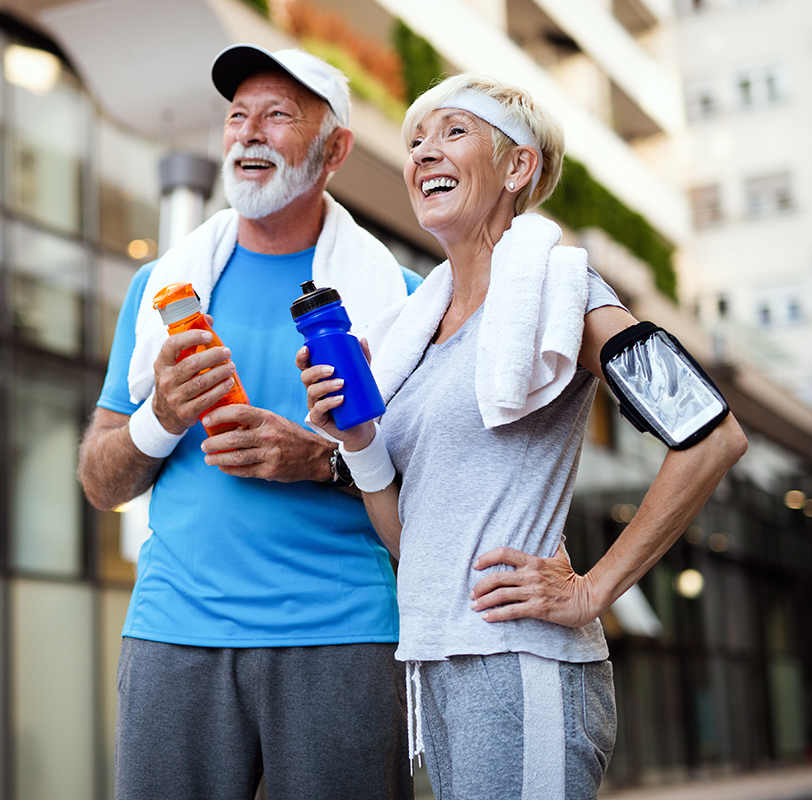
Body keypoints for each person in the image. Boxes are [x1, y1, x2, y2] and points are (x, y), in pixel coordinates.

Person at [299, 74, 748, 799]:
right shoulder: (415, 338)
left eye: (453, 132)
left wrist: (593, 589)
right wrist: (356, 437)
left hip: (520, 665)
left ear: (518, 167)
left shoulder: (564, 291)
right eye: (416, 140)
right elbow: (410, 544)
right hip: (438, 663)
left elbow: (713, 436)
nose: (423, 153)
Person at [78, 44, 421, 800]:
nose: (248, 133)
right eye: (237, 116)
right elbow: (100, 481)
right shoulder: (160, 288)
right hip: (173, 634)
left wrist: (322, 460)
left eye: (278, 116)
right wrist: (160, 417)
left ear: (335, 149)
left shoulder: (402, 300)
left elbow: (435, 498)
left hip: (343, 635)